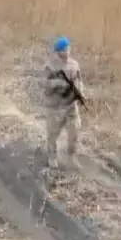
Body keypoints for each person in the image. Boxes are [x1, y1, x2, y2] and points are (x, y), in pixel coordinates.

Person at [42, 36, 87, 168]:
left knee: (75, 130)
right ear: (58, 51)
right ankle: (52, 156)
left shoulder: (74, 65)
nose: (67, 51)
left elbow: (79, 80)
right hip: (55, 107)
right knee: (53, 134)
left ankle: (71, 156)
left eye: (68, 48)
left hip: (70, 105)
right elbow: (44, 83)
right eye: (64, 49)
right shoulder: (50, 66)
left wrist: (80, 92)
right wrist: (58, 83)